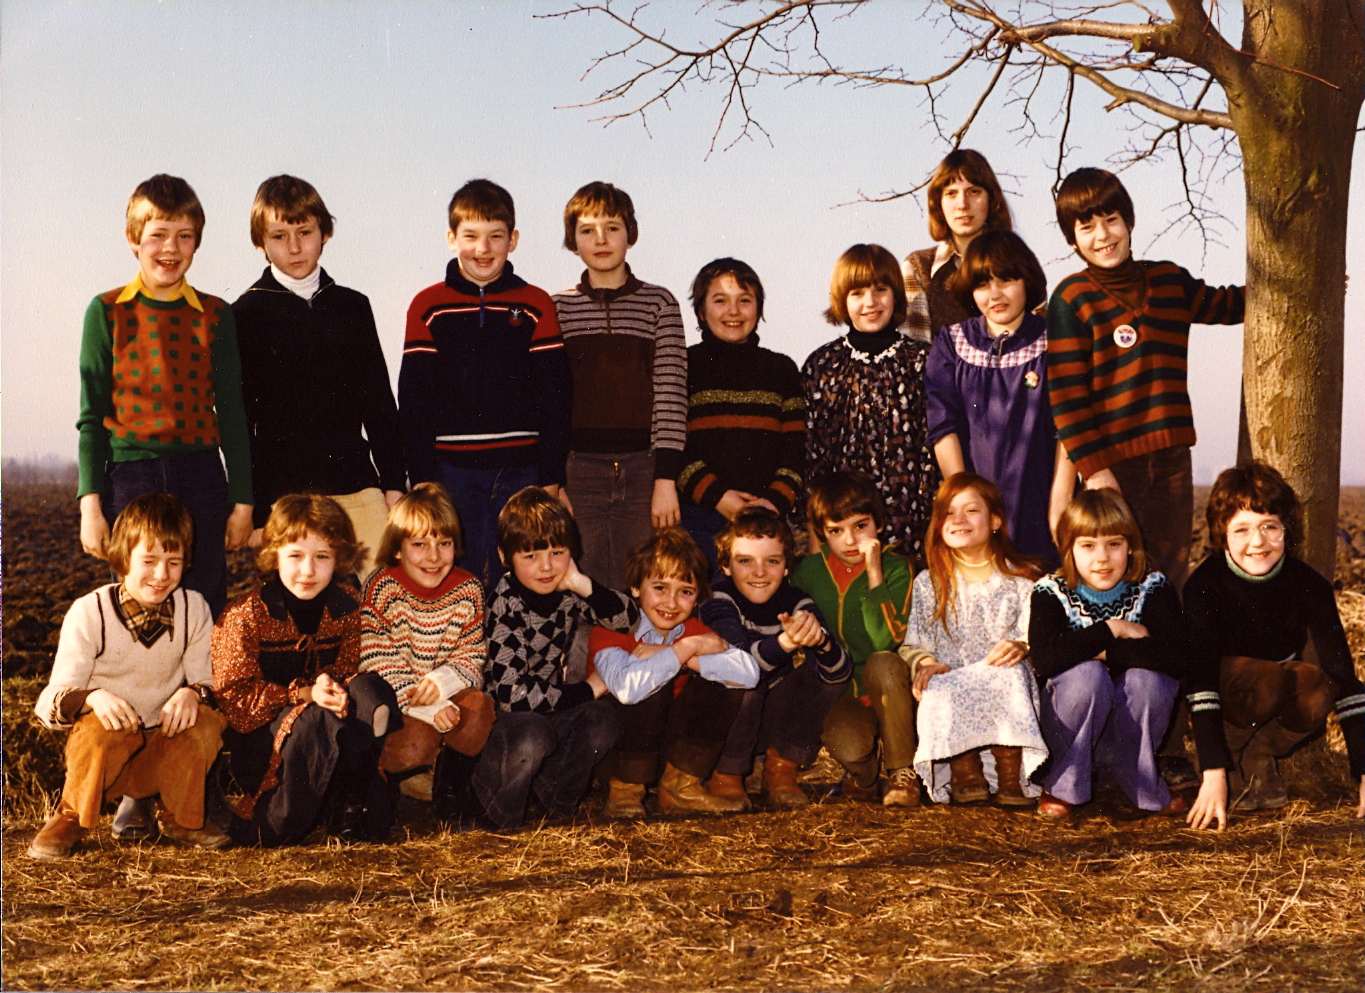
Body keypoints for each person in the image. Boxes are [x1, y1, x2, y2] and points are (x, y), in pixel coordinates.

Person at [1046, 166, 1244, 593]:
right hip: (1114, 464)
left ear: (1129, 221)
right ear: (1072, 238)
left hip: (1172, 455)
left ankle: (1164, 656)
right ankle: (1119, 653)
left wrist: (1302, 288)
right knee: (1116, 565)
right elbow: (1066, 398)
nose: (1103, 235)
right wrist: (1095, 470)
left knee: (1170, 567)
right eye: (1087, 226)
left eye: (1111, 220)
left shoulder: (1170, 280)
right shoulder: (1070, 299)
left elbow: (1227, 303)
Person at [77, 174, 253, 618]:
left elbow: (233, 414)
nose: (170, 248)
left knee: (203, 600)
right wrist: (90, 506)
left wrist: (243, 502)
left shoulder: (215, 315)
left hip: (201, 476)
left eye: (184, 236)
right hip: (131, 479)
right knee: (139, 600)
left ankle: (202, 689)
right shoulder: (106, 311)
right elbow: (91, 418)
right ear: (134, 239)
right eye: (158, 235)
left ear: (197, 243)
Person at [29, 493, 229, 858]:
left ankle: (181, 816)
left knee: (203, 721)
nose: (161, 575)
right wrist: (91, 696)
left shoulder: (193, 608)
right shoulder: (90, 612)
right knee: (101, 727)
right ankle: (70, 817)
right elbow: (48, 703)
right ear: (123, 559)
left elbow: (210, 682)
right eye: (148, 561)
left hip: (162, 750)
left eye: (174, 562)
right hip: (107, 762)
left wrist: (193, 694)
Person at [398, 178, 572, 588]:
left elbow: (556, 395)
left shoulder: (535, 303)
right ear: (451, 238)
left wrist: (550, 475)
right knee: (462, 576)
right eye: (471, 236)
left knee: (523, 577)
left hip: (523, 470)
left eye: (495, 236)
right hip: (452, 472)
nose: (483, 248)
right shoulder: (428, 306)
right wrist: (422, 476)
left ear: (513, 240)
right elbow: (414, 397)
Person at [233, 175, 405, 580]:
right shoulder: (244, 315)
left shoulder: (352, 307)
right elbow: (241, 424)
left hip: (356, 485)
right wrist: (256, 509)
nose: (294, 247)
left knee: (383, 594)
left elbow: (380, 403)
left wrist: (394, 485)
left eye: (305, 232)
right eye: (279, 235)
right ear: (260, 242)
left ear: (324, 233)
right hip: (284, 498)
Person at [212, 494, 400, 846]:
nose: (308, 571)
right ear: (274, 556)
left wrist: (337, 690)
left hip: (335, 729)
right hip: (269, 746)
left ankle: (349, 805)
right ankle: (284, 816)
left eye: (322, 557)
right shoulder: (246, 615)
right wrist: (301, 695)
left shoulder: (349, 607)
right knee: (317, 719)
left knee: (371, 691)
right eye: (295, 556)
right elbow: (234, 701)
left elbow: (352, 669)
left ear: (339, 558)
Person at [1184, 462, 1364, 820]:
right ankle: (1229, 761)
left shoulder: (1309, 584)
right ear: (1222, 535)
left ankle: (1259, 755)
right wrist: (1212, 770)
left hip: (1275, 686)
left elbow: (1343, 676)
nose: (1258, 542)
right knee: (1265, 680)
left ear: (1287, 529)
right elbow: (1199, 681)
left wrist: (1364, 772)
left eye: (1270, 527)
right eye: (1242, 530)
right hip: (1224, 692)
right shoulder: (1204, 584)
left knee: (1317, 687)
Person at [1029, 488, 1207, 821]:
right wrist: (1112, 628)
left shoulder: (1152, 587)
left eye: (1114, 544)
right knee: (1086, 676)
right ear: (1068, 549)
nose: (1102, 558)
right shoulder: (1050, 591)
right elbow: (1046, 659)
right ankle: (1064, 783)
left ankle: (1139, 780)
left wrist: (1101, 651)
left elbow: (1175, 657)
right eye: (1087, 546)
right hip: (1067, 729)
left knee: (1147, 680)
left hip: (1131, 734)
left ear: (1131, 546)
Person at [475, 487, 639, 829]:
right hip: (502, 727)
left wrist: (582, 584)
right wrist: (585, 690)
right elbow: (514, 697)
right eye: (530, 556)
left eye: (557, 552)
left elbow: (627, 619)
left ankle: (557, 803)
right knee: (534, 732)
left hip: (545, 713)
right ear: (505, 557)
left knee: (601, 719)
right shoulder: (503, 604)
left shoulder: (566, 589)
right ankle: (499, 812)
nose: (547, 567)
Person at [552, 182, 688, 589]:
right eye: (587, 229)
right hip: (579, 470)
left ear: (630, 233)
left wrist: (665, 480)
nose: (601, 239)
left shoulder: (659, 304)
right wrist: (556, 479)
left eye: (612, 227)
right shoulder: (556, 307)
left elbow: (670, 394)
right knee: (580, 582)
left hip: (642, 468)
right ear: (572, 241)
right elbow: (550, 401)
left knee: (641, 580)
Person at [927, 230, 1076, 566]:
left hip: (1041, 502)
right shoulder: (951, 343)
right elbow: (942, 426)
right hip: (976, 509)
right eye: (982, 284)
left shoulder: (1055, 340)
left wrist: (1060, 503)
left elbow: (1067, 429)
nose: (995, 294)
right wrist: (962, 505)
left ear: (1028, 281)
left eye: (1006, 280)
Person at [590, 529, 760, 818]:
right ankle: (625, 791)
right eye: (659, 587)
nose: (671, 603)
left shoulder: (693, 631)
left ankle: (680, 787)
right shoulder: (611, 627)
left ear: (697, 599)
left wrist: (686, 654)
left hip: (666, 750)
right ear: (635, 587)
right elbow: (629, 690)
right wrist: (686, 651)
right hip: (616, 752)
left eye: (685, 592)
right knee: (649, 683)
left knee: (723, 680)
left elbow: (749, 673)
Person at [902, 474, 1046, 807]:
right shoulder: (930, 583)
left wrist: (1023, 647)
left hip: (1001, 680)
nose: (959, 520)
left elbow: (1035, 636)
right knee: (937, 685)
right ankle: (964, 768)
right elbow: (913, 642)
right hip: (953, 677)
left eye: (971, 510)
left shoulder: (1021, 579)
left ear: (995, 520)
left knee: (1010, 673)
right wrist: (926, 663)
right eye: (949, 513)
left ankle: (1011, 774)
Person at [358, 484, 495, 822]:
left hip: (445, 694)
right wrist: (428, 707)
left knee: (479, 708)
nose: (433, 557)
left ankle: (450, 792)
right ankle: (390, 783)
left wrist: (443, 681)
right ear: (398, 550)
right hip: (403, 703)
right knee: (413, 744)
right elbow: (376, 659)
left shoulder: (468, 589)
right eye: (419, 544)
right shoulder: (382, 586)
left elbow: (472, 656)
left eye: (443, 544)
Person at [700, 508, 851, 809]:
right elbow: (740, 666)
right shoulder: (718, 598)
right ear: (725, 566)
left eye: (772, 561)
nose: (759, 572)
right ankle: (726, 773)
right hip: (718, 725)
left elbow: (840, 672)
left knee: (825, 673)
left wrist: (819, 641)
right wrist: (785, 642)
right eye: (745, 561)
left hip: (768, 719)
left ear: (786, 567)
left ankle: (780, 768)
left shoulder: (796, 601)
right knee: (745, 680)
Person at [803, 244, 940, 565]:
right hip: (842, 530)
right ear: (842, 299)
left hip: (910, 527)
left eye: (881, 289)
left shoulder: (922, 360)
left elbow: (932, 450)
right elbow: (814, 458)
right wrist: (814, 540)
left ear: (896, 294)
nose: (870, 302)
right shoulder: (823, 365)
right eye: (857, 293)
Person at [795, 471, 918, 806]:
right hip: (844, 691)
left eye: (860, 526)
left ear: (877, 522)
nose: (849, 541)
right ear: (822, 533)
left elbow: (885, 640)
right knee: (847, 746)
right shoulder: (809, 570)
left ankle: (901, 771)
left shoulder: (896, 567)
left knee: (883, 663)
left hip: (890, 686)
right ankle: (863, 776)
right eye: (836, 531)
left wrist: (874, 572)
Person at [676, 258, 805, 573]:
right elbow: (673, 443)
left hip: (767, 520)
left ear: (759, 310)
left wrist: (774, 502)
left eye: (744, 301)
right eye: (720, 301)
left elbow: (796, 447)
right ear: (701, 311)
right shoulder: (684, 364)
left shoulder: (782, 369)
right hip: (700, 517)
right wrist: (719, 497)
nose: (733, 311)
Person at [901, 149, 1013, 343]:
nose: (962, 204)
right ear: (939, 203)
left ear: (991, 199)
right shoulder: (918, 268)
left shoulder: (1016, 262)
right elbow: (914, 356)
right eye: (951, 193)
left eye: (974, 191)